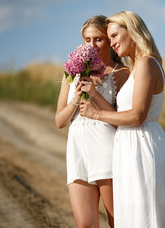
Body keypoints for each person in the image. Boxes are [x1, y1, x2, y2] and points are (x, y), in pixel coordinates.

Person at [79, 11, 165, 228]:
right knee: (134, 216)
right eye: (110, 37)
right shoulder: (140, 66)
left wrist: (96, 114)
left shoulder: (146, 64)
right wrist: (95, 96)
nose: (112, 43)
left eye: (115, 35)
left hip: (142, 145)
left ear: (132, 31)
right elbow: (124, 113)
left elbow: (137, 115)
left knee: (146, 214)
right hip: (130, 146)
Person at [55, 15, 130, 228]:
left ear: (109, 41)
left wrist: (95, 94)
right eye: (87, 40)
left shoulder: (121, 73)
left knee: (118, 220)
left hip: (107, 150)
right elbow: (60, 121)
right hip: (78, 152)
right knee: (86, 224)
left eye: (98, 39)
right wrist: (75, 100)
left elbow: (122, 121)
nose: (92, 45)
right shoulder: (71, 73)